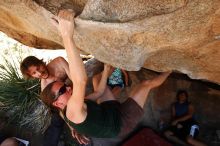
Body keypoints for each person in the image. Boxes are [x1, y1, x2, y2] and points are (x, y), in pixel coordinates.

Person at [41, 9, 171, 138]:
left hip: (109, 111)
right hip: (121, 123)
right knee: (145, 85)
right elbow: (79, 81)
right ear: (57, 103)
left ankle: (116, 69)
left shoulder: (70, 107)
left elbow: (98, 93)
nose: (68, 87)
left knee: (97, 80)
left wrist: (107, 69)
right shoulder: (72, 111)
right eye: (63, 90)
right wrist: (66, 35)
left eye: (64, 85)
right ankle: (170, 70)